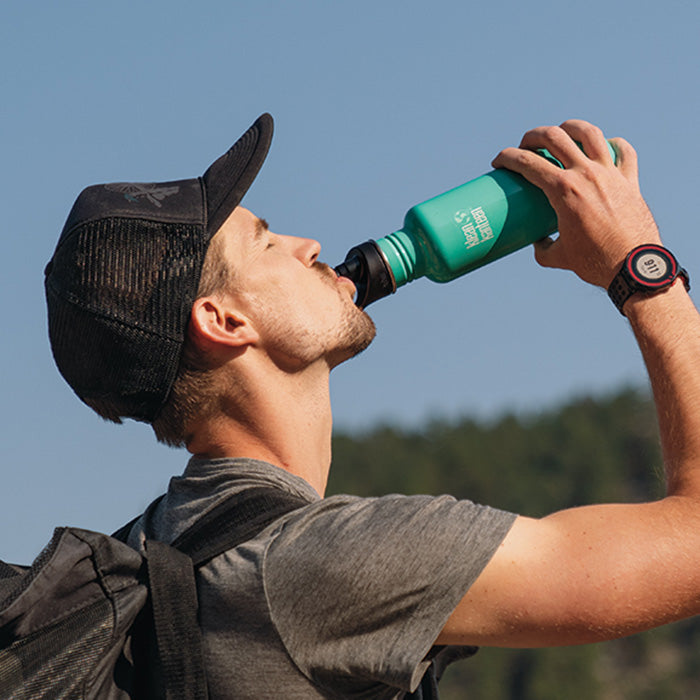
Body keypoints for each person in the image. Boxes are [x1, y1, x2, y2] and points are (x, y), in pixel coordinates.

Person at [44, 114, 700, 698]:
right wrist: (640, 263)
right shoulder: (320, 563)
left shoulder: (151, 550)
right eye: (267, 243)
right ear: (223, 320)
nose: (309, 247)